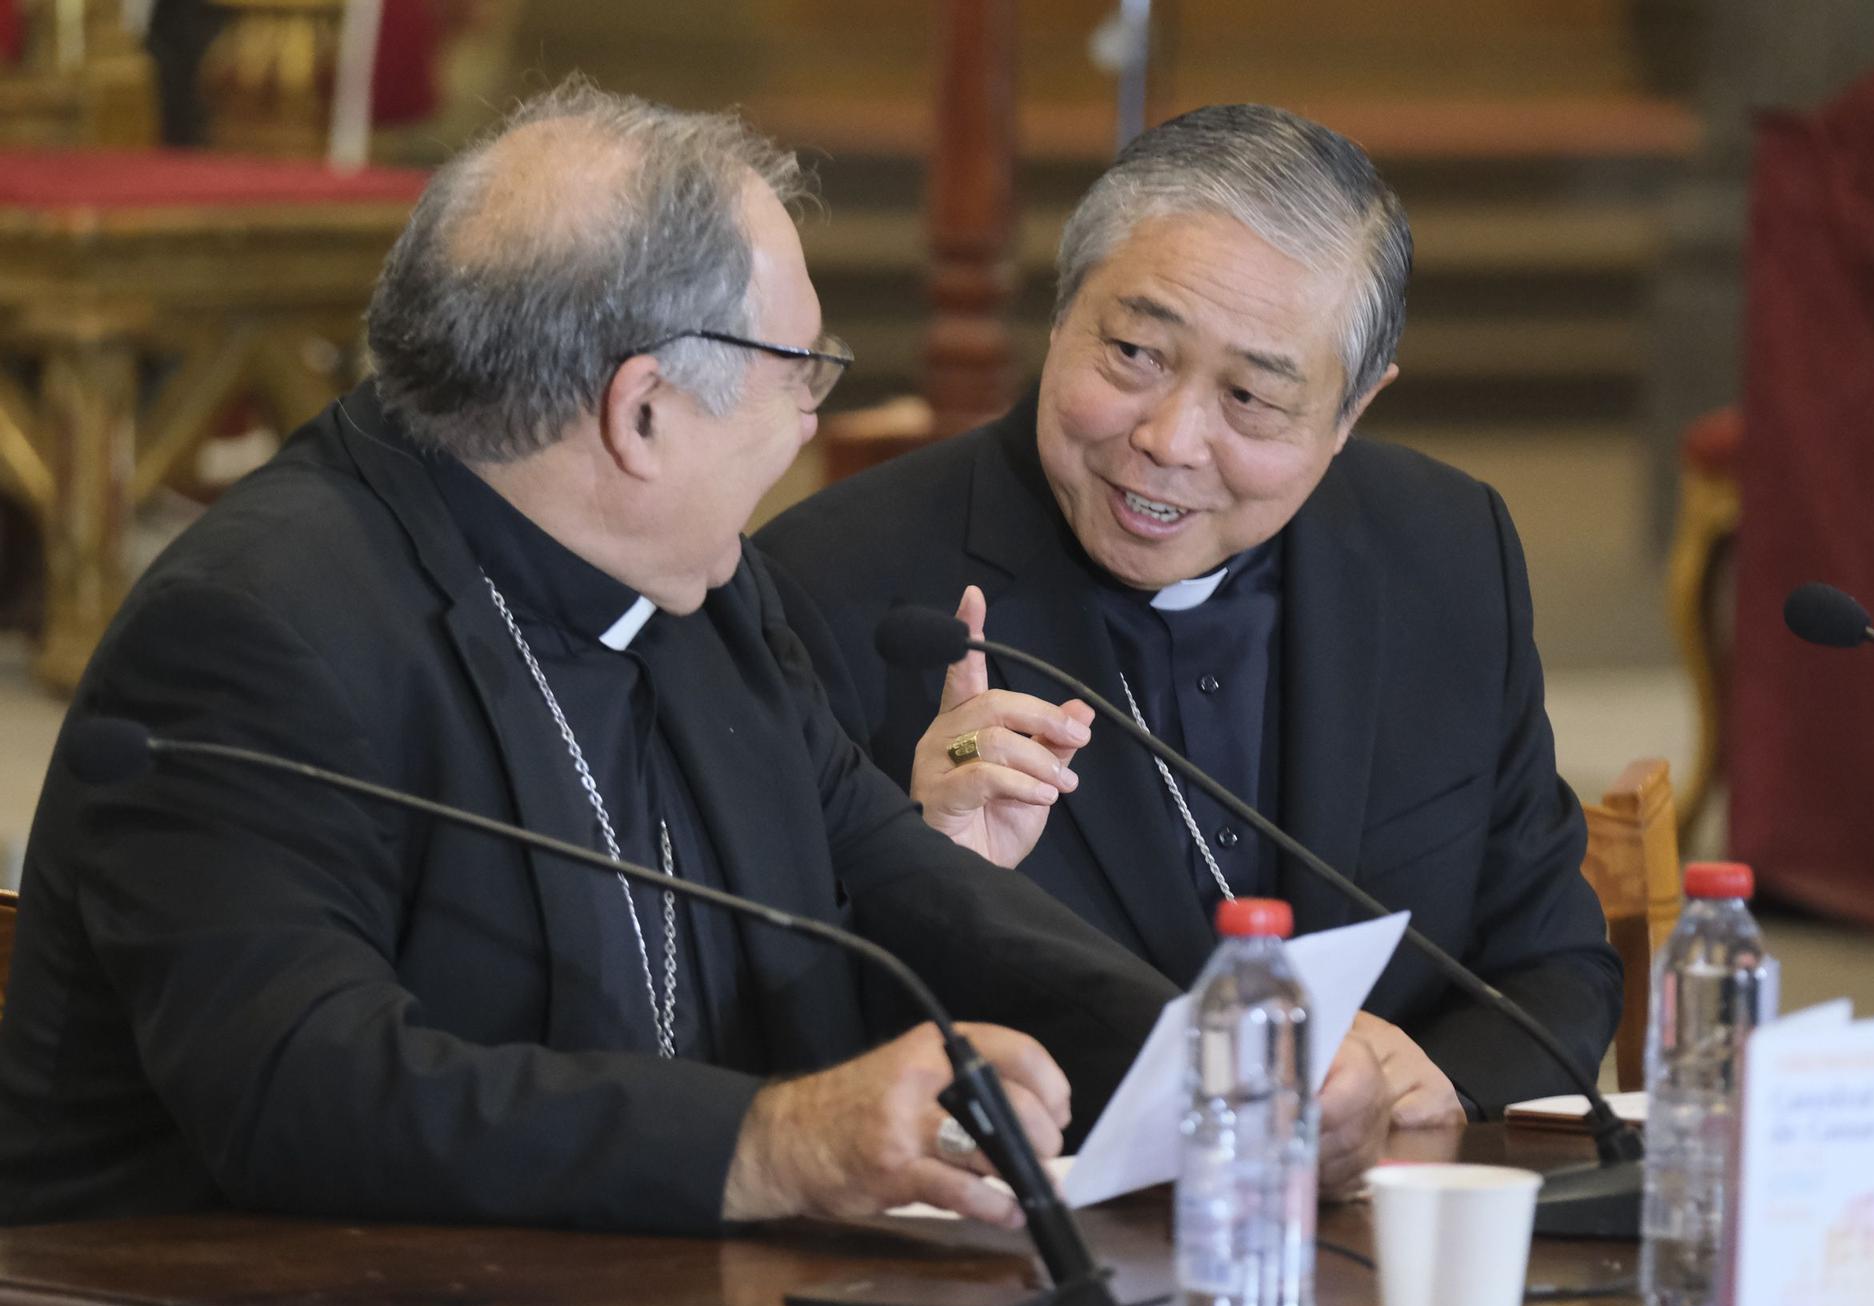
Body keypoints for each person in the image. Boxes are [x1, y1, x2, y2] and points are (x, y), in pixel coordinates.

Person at [0, 85, 1388, 1232]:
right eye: (802, 370)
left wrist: (1208, 1057)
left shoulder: (693, 587)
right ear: (644, 413)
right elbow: (307, 1092)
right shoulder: (261, 634)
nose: (809, 418)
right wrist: (772, 1141)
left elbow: (892, 870)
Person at [758, 103, 1622, 1126]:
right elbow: (771, 1039)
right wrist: (930, 875)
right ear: (1062, 308)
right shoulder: (830, 589)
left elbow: (1551, 960)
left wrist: (1434, 1082)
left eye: (1251, 398)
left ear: (1352, 410)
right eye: (1131, 351)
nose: (1168, 438)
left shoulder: (1442, 550)